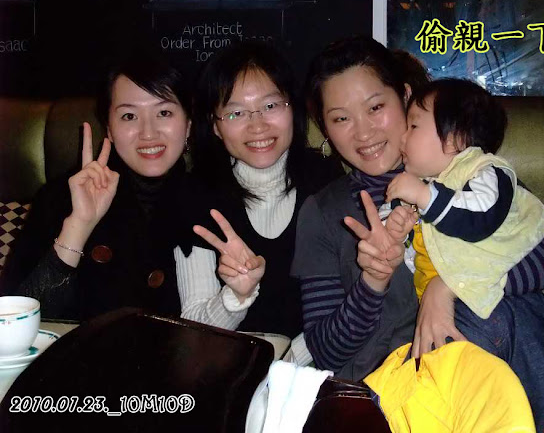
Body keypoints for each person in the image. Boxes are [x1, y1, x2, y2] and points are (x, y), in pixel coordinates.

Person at [291, 36, 544, 433]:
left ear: (405, 96)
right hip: (387, 398)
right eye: (341, 118)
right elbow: (324, 351)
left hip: (480, 373)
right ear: (325, 129)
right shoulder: (324, 212)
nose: (363, 132)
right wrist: (372, 283)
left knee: (505, 308)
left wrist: (450, 285)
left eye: (376, 107)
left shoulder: (468, 177)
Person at [174, 41, 343, 344]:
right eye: (236, 113)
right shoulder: (195, 194)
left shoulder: (325, 179)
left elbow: (341, 308)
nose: (257, 126)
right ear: (215, 126)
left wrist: (292, 359)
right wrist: (235, 296)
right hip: (230, 363)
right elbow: (193, 327)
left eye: (270, 106)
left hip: (317, 362)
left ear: (293, 108)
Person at [0, 51, 191, 320]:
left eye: (164, 112)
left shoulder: (210, 201)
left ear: (188, 125)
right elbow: (15, 320)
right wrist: (78, 225)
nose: (148, 133)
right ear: (109, 129)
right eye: (129, 116)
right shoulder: (61, 197)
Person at [383, 78, 544, 318]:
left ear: (455, 139)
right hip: (439, 309)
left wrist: (424, 196)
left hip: (503, 305)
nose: (402, 137)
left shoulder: (484, 171)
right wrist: (395, 231)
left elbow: (479, 218)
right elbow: (392, 238)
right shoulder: (419, 185)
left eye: (414, 126)